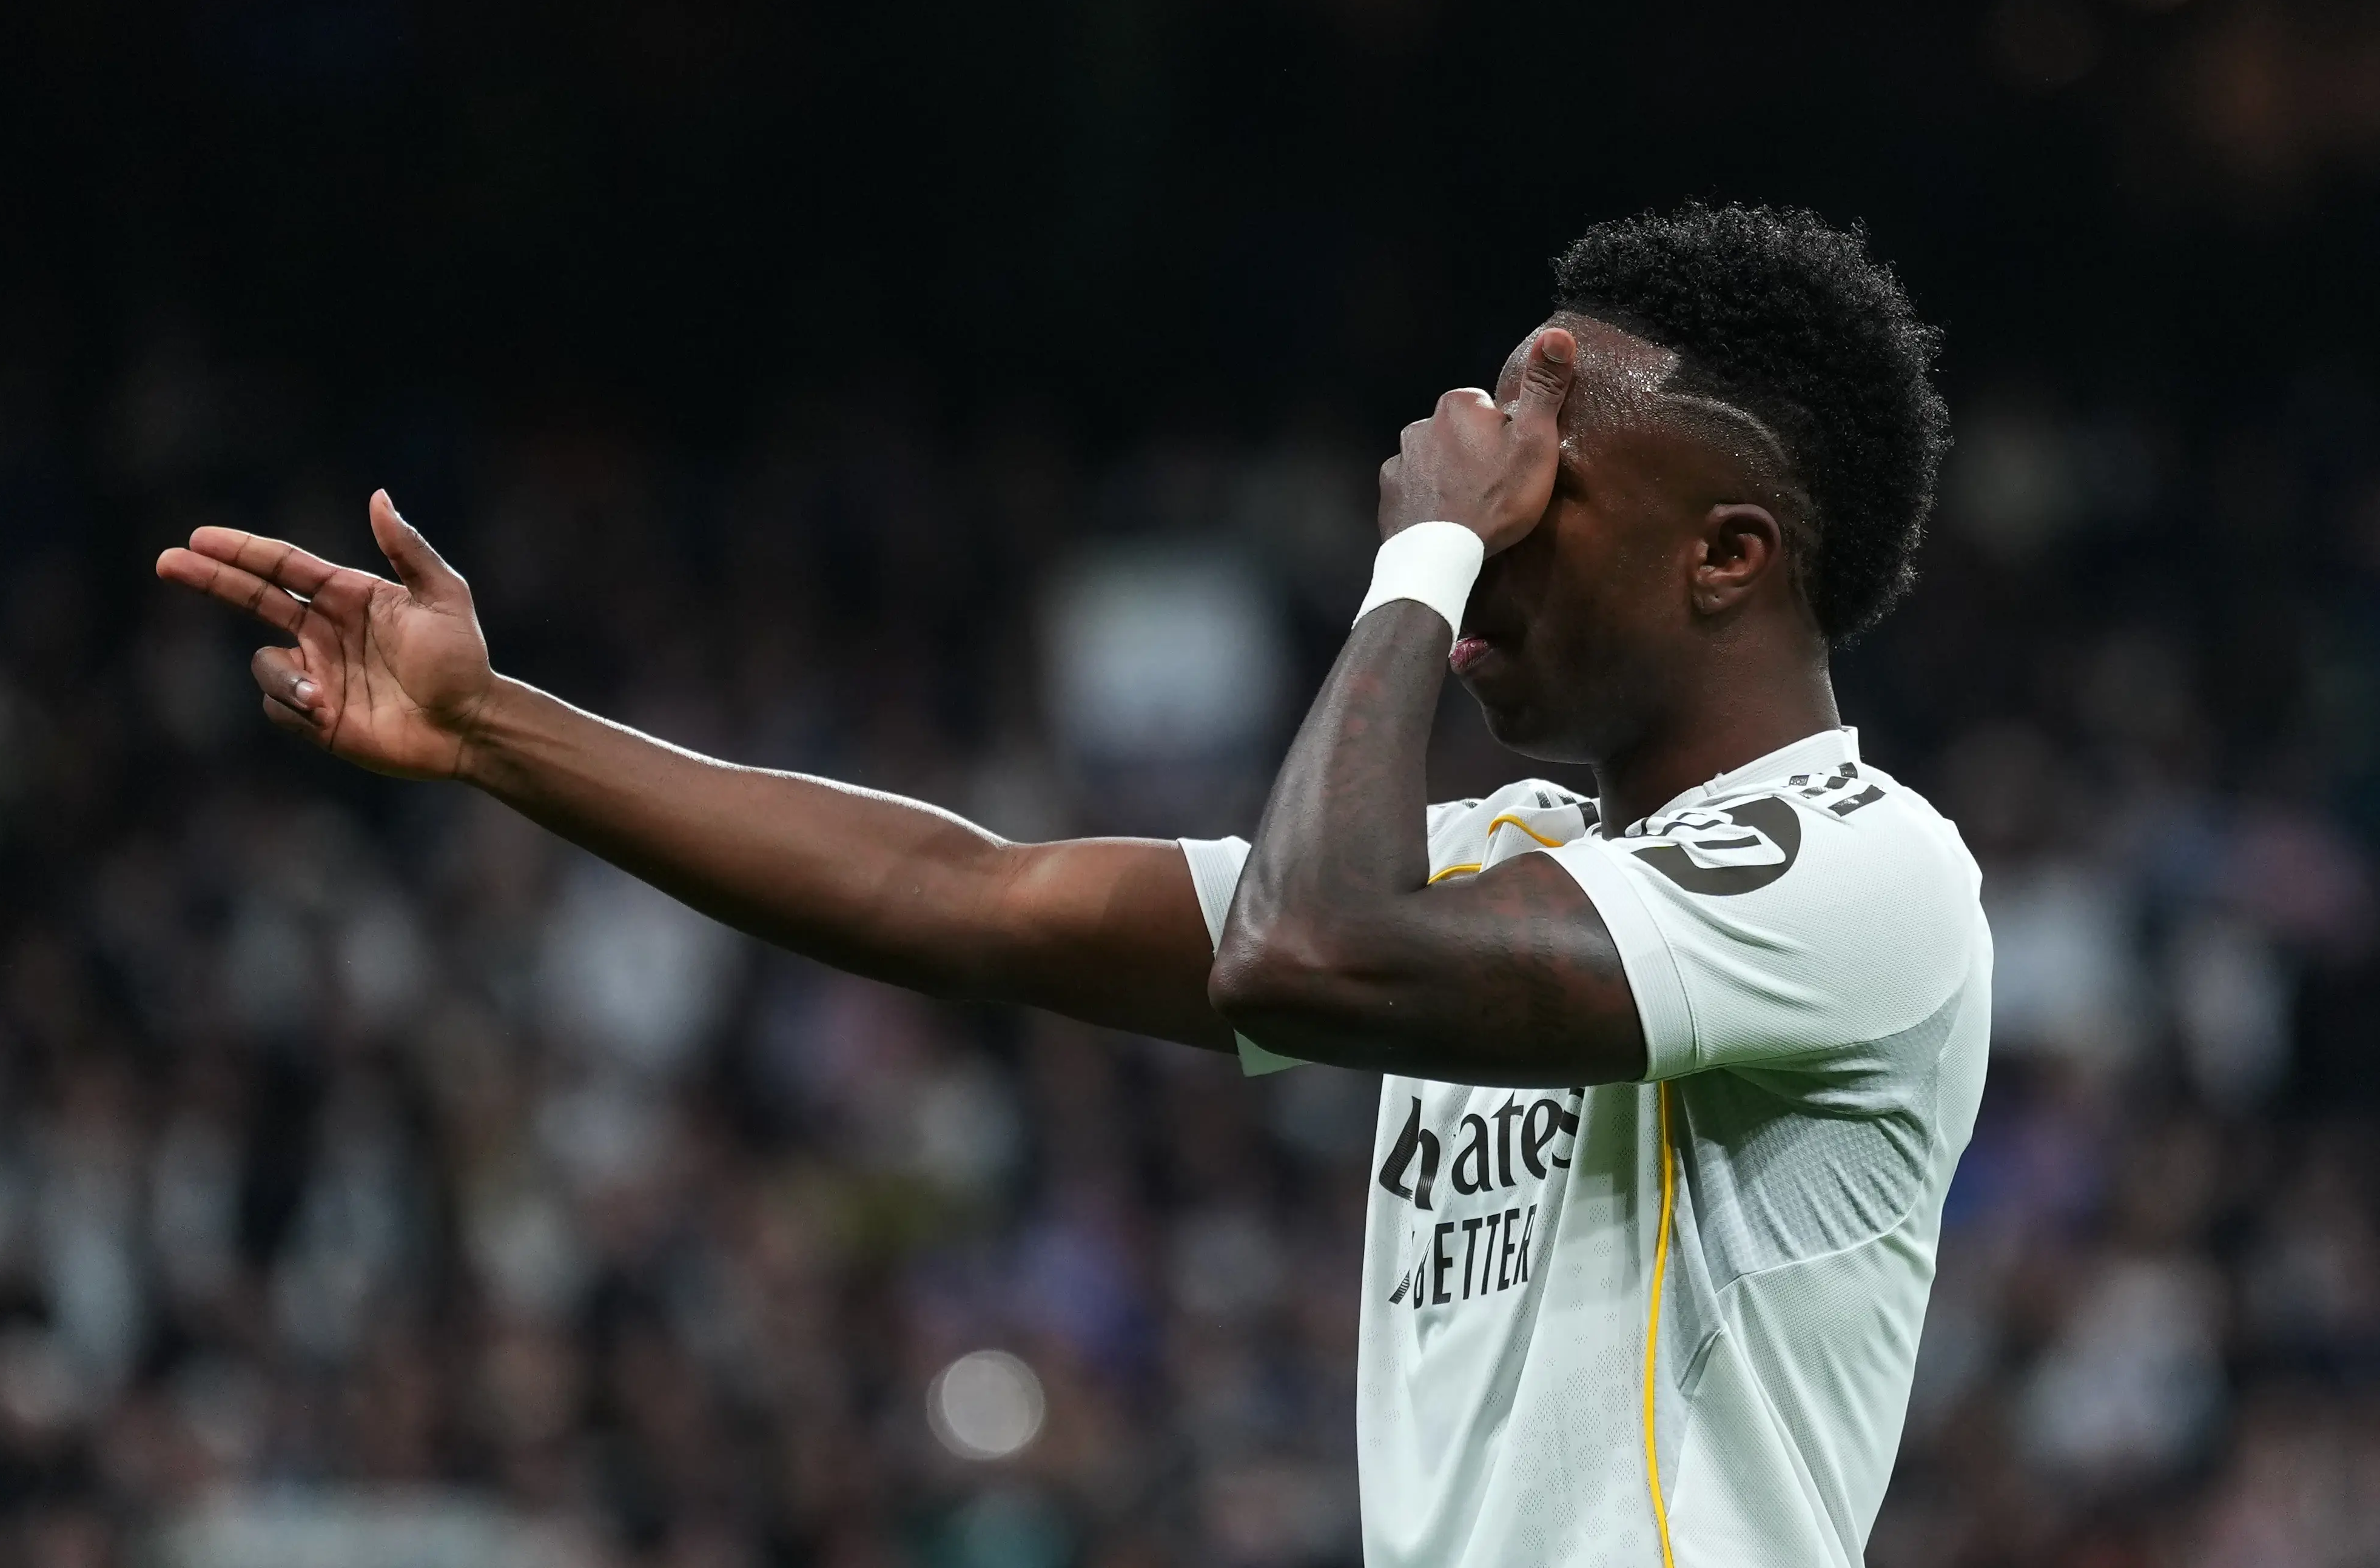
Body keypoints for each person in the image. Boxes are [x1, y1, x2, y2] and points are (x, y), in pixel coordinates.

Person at [156, 203, 1985, 1568]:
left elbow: (1305, 949)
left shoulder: (1858, 865)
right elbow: (970, 896)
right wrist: (493, 730)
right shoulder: (1505, 874)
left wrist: (1421, 564)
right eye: (1477, 491)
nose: (1485, 522)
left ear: (1728, 555)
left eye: (1536, 492)